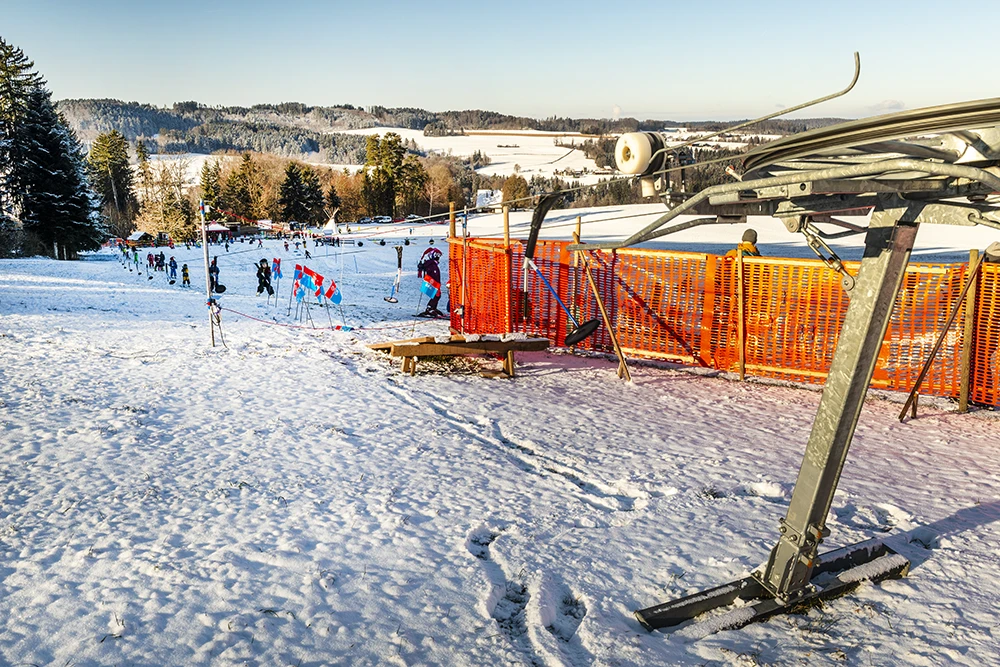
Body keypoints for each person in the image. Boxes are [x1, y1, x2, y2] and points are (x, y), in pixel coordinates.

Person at [417, 241, 444, 317]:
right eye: (437, 255)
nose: (438, 257)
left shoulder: (433, 263)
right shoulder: (431, 264)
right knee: (436, 295)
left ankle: (433, 308)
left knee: (438, 295)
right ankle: (430, 308)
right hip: (432, 281)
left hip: (434, 280)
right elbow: (428, 269)